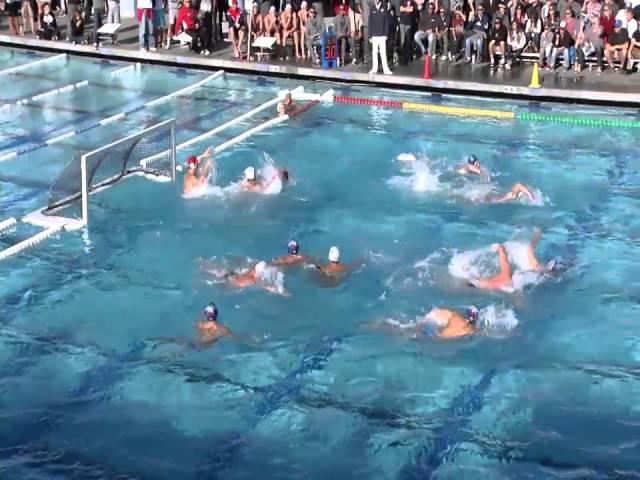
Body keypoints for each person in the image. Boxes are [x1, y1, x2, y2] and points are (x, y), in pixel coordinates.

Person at [369, 0, 393, 74]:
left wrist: (386, 34)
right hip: (374, 35)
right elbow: (370, 23)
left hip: (382, 35)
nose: (375, 1)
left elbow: (386, 22)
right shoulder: (372, 8)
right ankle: (374, 69)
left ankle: (386, 69)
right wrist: (370, 35)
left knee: (383, 53)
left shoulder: (384, 8)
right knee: (374, 53)